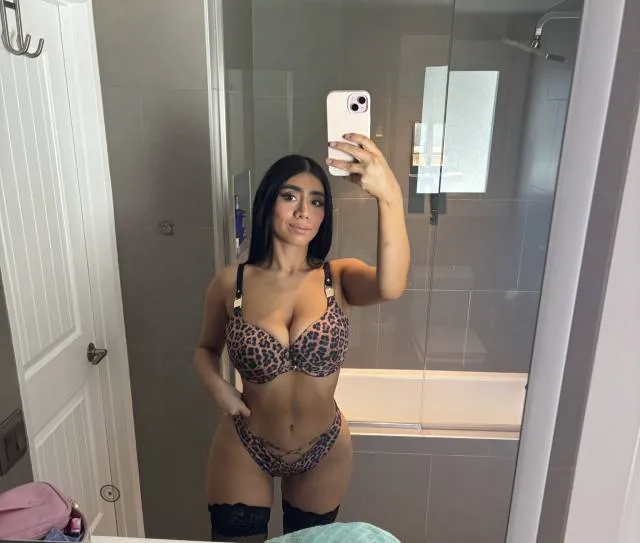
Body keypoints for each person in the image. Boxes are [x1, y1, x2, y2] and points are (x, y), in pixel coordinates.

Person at [195, 134, 410, 542]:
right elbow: (205, 349)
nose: (303, 212)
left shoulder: (338, 277)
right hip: (245, 444)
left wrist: (389, 197)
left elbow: (391, 285)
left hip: (323, 449)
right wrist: (216, 386)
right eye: (290, 196)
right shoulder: (230, 283)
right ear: (268, 203)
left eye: (316, 201)